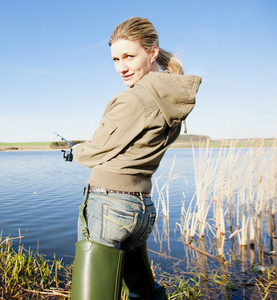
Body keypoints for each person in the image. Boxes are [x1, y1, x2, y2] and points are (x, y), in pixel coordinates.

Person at [70, 17, 201, 300]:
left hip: (108, 205)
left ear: (152, 52)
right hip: (141, 207)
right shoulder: (170, 99)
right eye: (116, 59)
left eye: (129, 56)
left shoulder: (133, 99)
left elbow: (96, 151)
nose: (122, 67)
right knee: (143, 293)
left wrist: (75, 150)